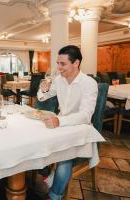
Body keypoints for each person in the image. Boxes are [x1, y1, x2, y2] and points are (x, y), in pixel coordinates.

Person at [37, 45, 98, 200]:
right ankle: (47, 173)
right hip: (61, 125)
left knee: (65, 157)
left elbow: (85, 115)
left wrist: (59, 120)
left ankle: (54, 195)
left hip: (81, 130)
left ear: (76, 63)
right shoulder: (59, 80)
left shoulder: (89, 83)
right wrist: (43, 89)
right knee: (35, 139)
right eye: (58, 63)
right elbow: (42, 97)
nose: (58, 68)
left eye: (62, 64)